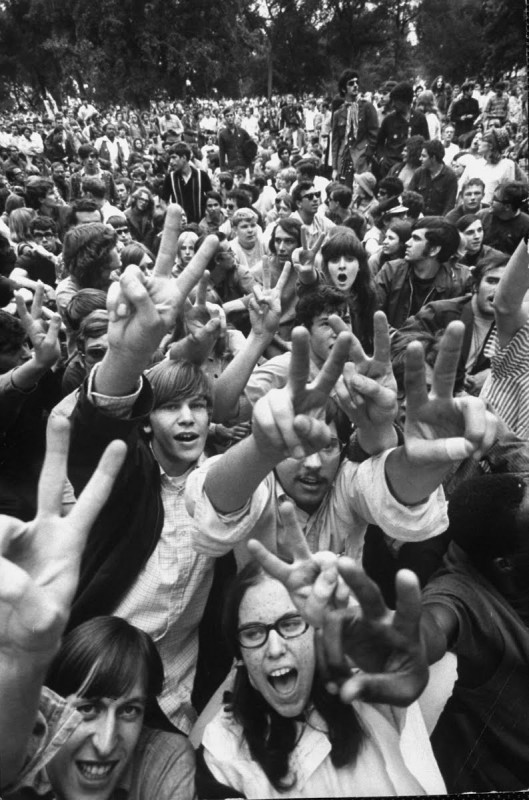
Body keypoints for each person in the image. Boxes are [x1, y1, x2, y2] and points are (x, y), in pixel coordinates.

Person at [196, 556, 445, 798]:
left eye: (291, 624)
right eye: (253, 633)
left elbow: (431, 643)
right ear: (239, 656)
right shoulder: (222, 757)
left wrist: (406, 645)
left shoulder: (368, 685)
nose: (274, 649)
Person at [375, 216, 471, 329]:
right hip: (388, 342)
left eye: (416, 238)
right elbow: (373, 312)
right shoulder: (391, 270)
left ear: (433, 250)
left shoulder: (455, 284)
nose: (407, 243)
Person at [331, 70, 379, 187]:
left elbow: (374, 134)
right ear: (343, 89)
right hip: (343, 159)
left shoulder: (367, 107)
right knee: (343, 192)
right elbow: (335, 142)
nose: (355, 85)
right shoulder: (338, 113)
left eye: (357, 82)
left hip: (361, 158)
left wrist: (367, 156)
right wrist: (334, 168)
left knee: (361, 191)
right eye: (351, 83)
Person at [375, 82, 429, 177]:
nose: (393, 105)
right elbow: (379, 143)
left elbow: (426, 141)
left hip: (412, 167)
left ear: (405, 101)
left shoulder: (420, 118)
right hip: (390, 166)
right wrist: (382, 159)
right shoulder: (388, 120)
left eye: (396, 101)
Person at [161, 142, 212, 224]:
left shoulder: (201, 175)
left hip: (200, 225)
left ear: (184, 158)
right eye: (170, 158)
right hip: (179, 227)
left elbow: (211, 198)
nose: (170, 162)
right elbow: (163, 201)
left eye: (174, 157)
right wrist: (172, 216)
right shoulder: (170, 178)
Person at [477, 181, 529, 255]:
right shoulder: (482, 216)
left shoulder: (526, 226)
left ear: (507, 207)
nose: (490, 201)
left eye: (494, 199)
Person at [408, 139, 458, 216]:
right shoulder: (419, 173)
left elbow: (449, 205)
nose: (420, 159)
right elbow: (409, 196)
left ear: (433, 158)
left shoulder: (450, 177)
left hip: (437, 221)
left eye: (424, 156)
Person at [218, 107, 256, 173]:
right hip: (232, 167)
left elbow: (252, 146)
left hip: (244, 165)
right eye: (227, 116)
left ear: (234, 116)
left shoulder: (242, 131)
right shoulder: (222, 134)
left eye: (231, 115)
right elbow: (222, 154)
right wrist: (222, 169)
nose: (229, 117)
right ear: (224, 118)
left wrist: (250, 160)